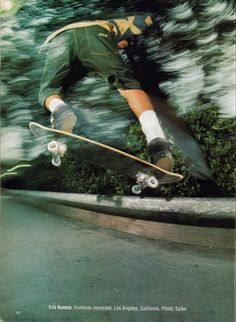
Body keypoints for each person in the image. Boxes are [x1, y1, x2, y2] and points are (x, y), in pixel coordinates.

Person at [39, 14, 172, 171]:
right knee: (129, 86)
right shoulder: (119, 26)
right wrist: (158, 34)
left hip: (59, 39)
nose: (121, 47)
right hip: (95, 35)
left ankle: (60, 113)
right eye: (123, 44)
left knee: (51, 89)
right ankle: (159, 145)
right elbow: (148, 18)